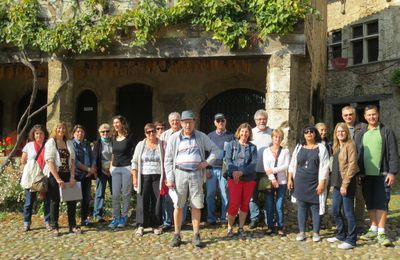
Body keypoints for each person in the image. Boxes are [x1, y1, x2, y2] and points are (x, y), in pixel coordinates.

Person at [165, 110, 220, 247]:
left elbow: (216, 150)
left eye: (190, 122)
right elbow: (168, 160)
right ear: (181, 123)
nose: (188, 125)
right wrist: (170, 178)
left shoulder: (201, 137)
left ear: (194, 122)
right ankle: (177, 235)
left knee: (196, 204)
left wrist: (207, 163)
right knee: (178, 205)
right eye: (185, 122)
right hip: (179, 174)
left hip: (196, 174)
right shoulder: (174, 138)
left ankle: (196, 235)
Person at [355, 105, 399, 246]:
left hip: (383, 174)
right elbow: (358, 154)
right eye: (369, 115)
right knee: (370, 202)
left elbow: (393, 154)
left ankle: (381, 232)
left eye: (374, 114)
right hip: (366, 175)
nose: (371, 117)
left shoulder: (386, 132)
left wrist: (392, 172)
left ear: (378, 114)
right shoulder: (361, 133)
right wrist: (359, 172)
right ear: (365, 117)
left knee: (382, 202)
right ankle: (373, 228)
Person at [288, 125, 329, 242]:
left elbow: (325, 168)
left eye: (311, 131)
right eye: (306, 132)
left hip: (314, 182)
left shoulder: (321, 148)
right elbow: (292, 164)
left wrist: (321, 183)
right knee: (302, 207)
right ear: (304, 134)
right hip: (300, 182)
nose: (309, 133)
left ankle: (316, 232)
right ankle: (302, 232)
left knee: (315, 207)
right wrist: (290, 179)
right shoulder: (299, 147)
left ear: (315, 133)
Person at [44, 122, 80, 236]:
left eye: (64, 128)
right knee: (55, 201)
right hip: (55, 174)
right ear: (55, 129)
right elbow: (49, 161)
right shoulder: (51, 142)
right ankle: (55, 227)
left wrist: (72, 176)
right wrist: (58, 179)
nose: (61, 130)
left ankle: (72, 226)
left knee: (71, 200)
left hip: (68, 173)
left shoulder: (69, 142)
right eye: (59, 128)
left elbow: (73, 161)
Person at [327, 123, 359, 249]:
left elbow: (352, 166)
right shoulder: (336, 146)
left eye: (343, 131)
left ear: (347, 133)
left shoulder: (350, 145)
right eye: (338, 131)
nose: (340, 133)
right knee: (335, 210)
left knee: (348, 212)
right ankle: (341, 234)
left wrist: (345, 185)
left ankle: (351, 239)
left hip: (347, 183)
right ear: (335, 133)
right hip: (336, 184)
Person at [131, 123, 165, 236]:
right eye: (148, 132)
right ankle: (141, 225)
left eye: (153, 131)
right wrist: (135, 177)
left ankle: (156, 224)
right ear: (145, 133)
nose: (151, 133)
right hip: (143, 176)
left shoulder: (162, 144)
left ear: (156, 131)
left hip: (158, 176)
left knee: (157, 201)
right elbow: (134, 161)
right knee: (142, 201)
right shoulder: (141, 145)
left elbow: (167, 161)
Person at [225, 123, 257, 238]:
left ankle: (241, 227)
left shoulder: (253, 147)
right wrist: (234, 172)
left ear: (249, 134)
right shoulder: (231, 145)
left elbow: (253, 164)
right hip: (234, 178)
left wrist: (241, 172)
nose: (244, 134)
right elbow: (228, 160)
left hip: (248, 178)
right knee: (234, 203)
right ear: (239, 132)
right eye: (242, 131)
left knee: (245, 203)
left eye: (247, 132)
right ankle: (229, 227)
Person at [206, 113, 234, 226]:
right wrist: (207, 168)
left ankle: (224, 218)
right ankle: (211, 218)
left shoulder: (231, 136)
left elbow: (233, 154)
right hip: (211, 169)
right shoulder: (210, 136)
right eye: (218, 121)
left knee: (225, 195)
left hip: (224, 170)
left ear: (225, 121)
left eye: (222, 120)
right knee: (210, 195)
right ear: (215, 123)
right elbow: (205, 152)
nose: (220, 123)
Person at [21, 124, 51, 232]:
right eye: (37, 133)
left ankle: (48, 222)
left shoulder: (48, 144)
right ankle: (26, 222)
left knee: (47, 201)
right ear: (33, 134)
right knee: (29, 202)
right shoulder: (29, 145)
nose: (39, 135)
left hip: (45, 176)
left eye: (41, 133)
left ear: (44, 134)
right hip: (32, 177)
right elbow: (23, 161)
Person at [341, 105, 367, 231]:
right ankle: (348, 222)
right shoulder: (340, 128)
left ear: (355, 115)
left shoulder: (363, 128)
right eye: (346, 115)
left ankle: (360, 223)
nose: (348, 117)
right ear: (342, 116)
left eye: (350, 114)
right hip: (344, 171)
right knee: (346, 198)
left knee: (360, 197)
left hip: (358, 169)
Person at [108, 115, 135, 228]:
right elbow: (113, 154)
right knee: (115, 195)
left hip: (126, 167)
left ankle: (124, 216)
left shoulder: (129, 137)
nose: (116, 125)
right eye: (114, 123)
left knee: (126, 194)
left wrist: (133, 168)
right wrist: (111, 166)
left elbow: (134, 153)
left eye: (118, 122)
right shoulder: (113, 138)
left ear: (122, 124)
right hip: (115, 168)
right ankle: (116, 217)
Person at [262, 128, 290, 236]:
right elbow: (266, 167)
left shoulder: (285, 151)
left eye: (279, 137)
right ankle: (270, 226)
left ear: (282, 139)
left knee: (279, 205)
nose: (277, 139)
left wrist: (274, 170)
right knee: (269, 204)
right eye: (275, 137)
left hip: (282, 182)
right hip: (270, 181)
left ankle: (280, 226)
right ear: (272, 138)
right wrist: (273, 179)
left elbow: (286, 165)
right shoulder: (266, 151)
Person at [249, 109, 273, 229]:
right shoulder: (251, 133)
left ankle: (268, 220)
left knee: (268, 196)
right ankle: (254, 218)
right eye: (259, 119)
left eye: (263, 119)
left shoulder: (272, 133)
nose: (262, 121)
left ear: (267, 120)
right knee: (252, 197)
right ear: (255, 120)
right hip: (253, 171)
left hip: (267, 172)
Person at [159, 112, 182, 231]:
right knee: (168, 196)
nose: (175, 122)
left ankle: (180, 222)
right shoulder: (164, 136)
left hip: (182, 169)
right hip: (168, 169)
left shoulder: (186, 133)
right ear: (169, 122)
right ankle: (167, 221)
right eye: (172, 120)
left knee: (182, 196)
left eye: (177, 120)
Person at [71, 124, 96, 227]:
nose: (80, 134)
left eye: (82, 132)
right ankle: (72, 222)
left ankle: (84, 219)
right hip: (76, 174)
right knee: (73, 199)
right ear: (74, 133)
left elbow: (92, 157)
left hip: (87, 175)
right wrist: (88, 169)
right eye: (78, 132)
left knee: (86, 198)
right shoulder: (71, 144)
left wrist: (92, 169)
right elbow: (75, 161)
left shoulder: (86, 144)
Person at [93, 123, 113, 222]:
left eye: (107, 131)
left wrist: (111, 169)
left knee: (115, 193)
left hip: (113, 170)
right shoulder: (97, 144)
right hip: (101, 171)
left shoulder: (113, 142)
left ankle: (116, 213)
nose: (105, 133)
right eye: (103, 131)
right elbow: (95, 159)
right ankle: (98, 214)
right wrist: (102, 170)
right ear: (99, 133)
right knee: (100, 193)